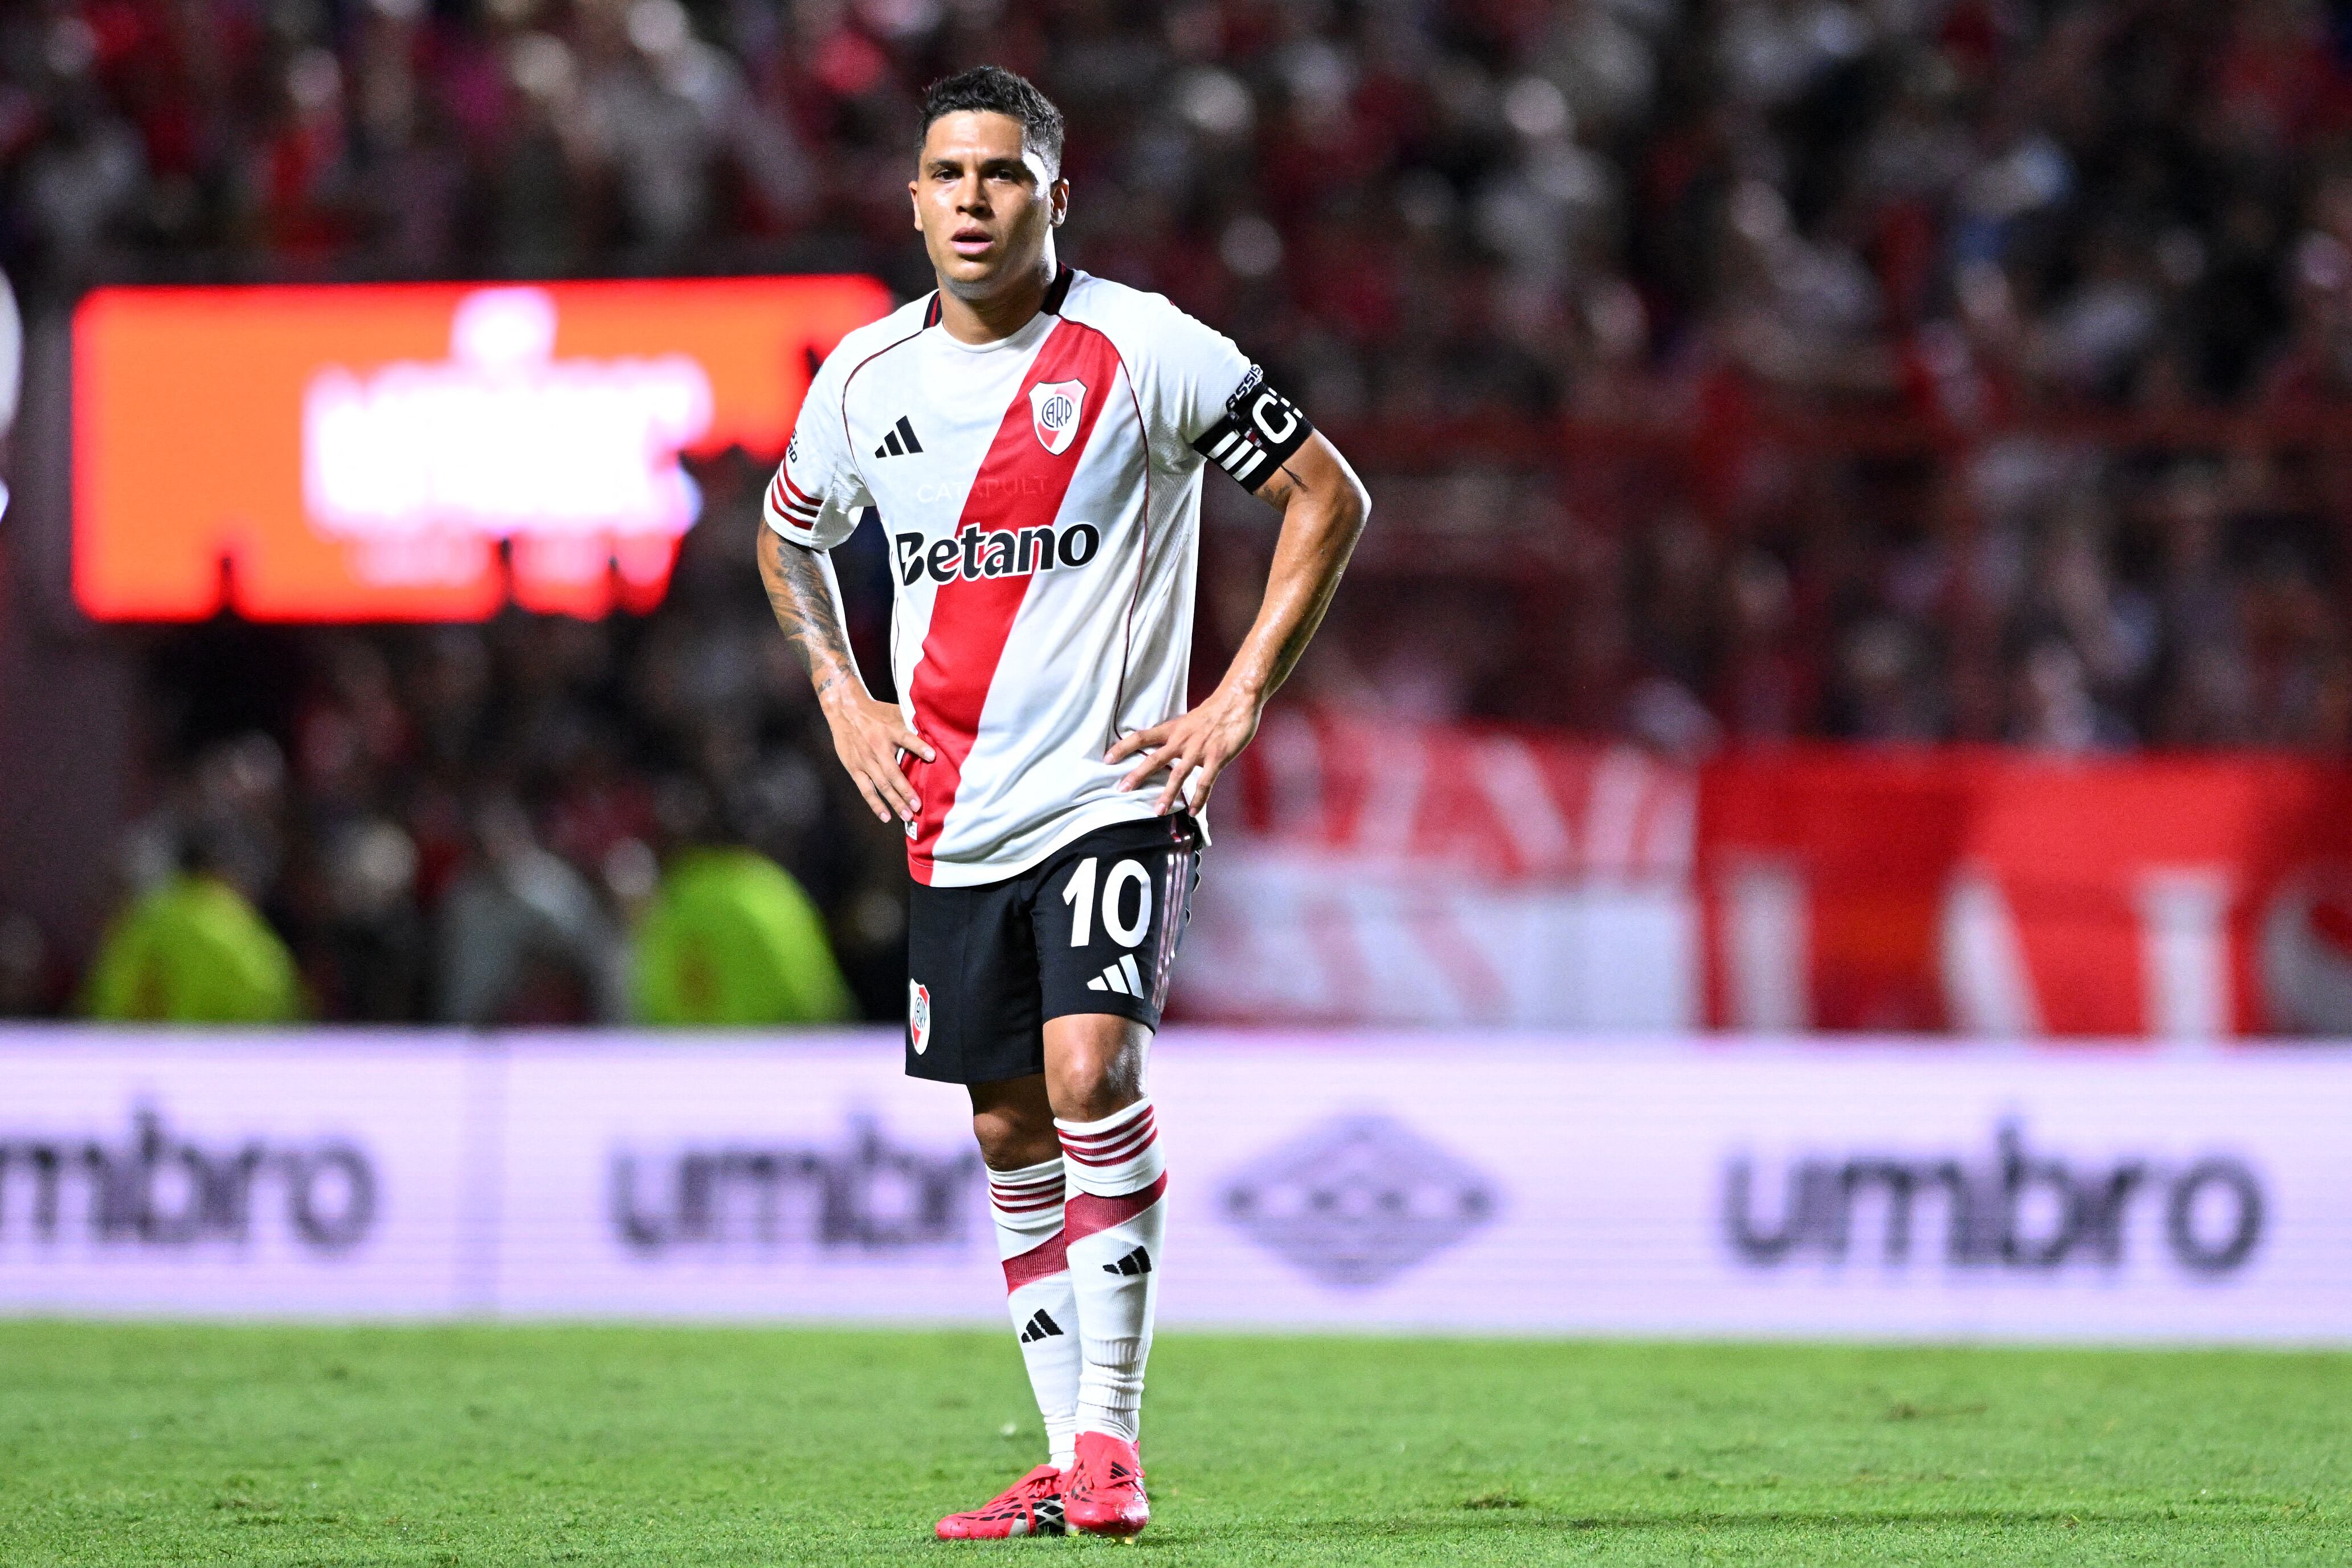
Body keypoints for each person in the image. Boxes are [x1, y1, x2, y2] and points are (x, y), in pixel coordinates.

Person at [756, 66, 1366, 1540]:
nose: (974, 200)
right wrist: (844, 698)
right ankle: (1065, 1463)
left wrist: (1233, 702)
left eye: (1003, 175)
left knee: (1092, 1074)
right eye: (949, 176)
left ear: (1055, 197)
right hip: (952, 811)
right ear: (913, 202)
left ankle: (1111, 1444)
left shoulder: (1142, 348)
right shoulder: (862, 383)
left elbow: (1326, 494)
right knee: (1009, 1129)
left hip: (1112, 793)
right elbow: (786, 541)